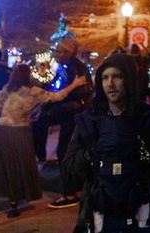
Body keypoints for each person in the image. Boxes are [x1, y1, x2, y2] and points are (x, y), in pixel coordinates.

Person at [65, 53, 150, 233]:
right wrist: (92, 153)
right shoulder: (89, 122)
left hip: (143, 211)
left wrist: (144, 147)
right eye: (105, 78)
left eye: (117, 76)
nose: (110, 84)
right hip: (101, 212)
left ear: (129, 80)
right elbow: (68, 169)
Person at [0, 65, 87, 219]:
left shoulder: (7, 88)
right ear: (28, 76)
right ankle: (13, 205)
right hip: (19, 132)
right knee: (16, 166)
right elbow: (58, 96)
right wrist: (75, 84)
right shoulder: (34, 91)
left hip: (0, 131)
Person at [46, 36, 94, 209]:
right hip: (74, 115)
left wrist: (56, 101)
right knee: (72, 152)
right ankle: (77, 189)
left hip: (73, 116)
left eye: (58, 50)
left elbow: (75, 91)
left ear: (67, 52)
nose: (55, 53)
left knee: (65, 153)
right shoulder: (68, 67)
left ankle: (70, 193)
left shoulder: (72, 68)